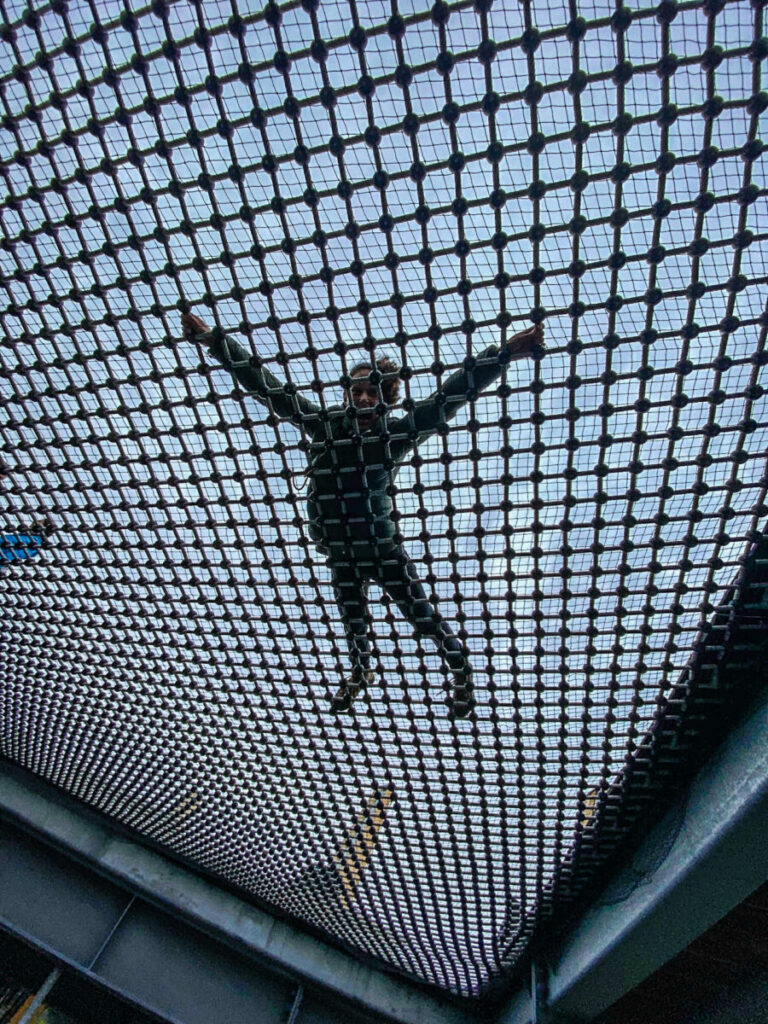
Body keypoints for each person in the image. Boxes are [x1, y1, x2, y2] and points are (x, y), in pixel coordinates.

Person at [182, 312, 544, 717]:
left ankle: (459, 666)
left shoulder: (392, 437)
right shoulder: (325, 426)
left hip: (381, 548)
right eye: (357, 392)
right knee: (354, 621)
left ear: (385, 399)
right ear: (347, 396)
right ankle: (361, 672)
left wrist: (503, 354)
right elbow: (270, 389)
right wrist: (216, 341)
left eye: (372, 393)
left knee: (420, 616)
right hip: (339, 549)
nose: (364, 398)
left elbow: (447, 398)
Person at [0, 461, 54, 570]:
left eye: (38, 523)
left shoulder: (31, 540)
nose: (33, 524)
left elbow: (5, 541)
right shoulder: (34, 545)